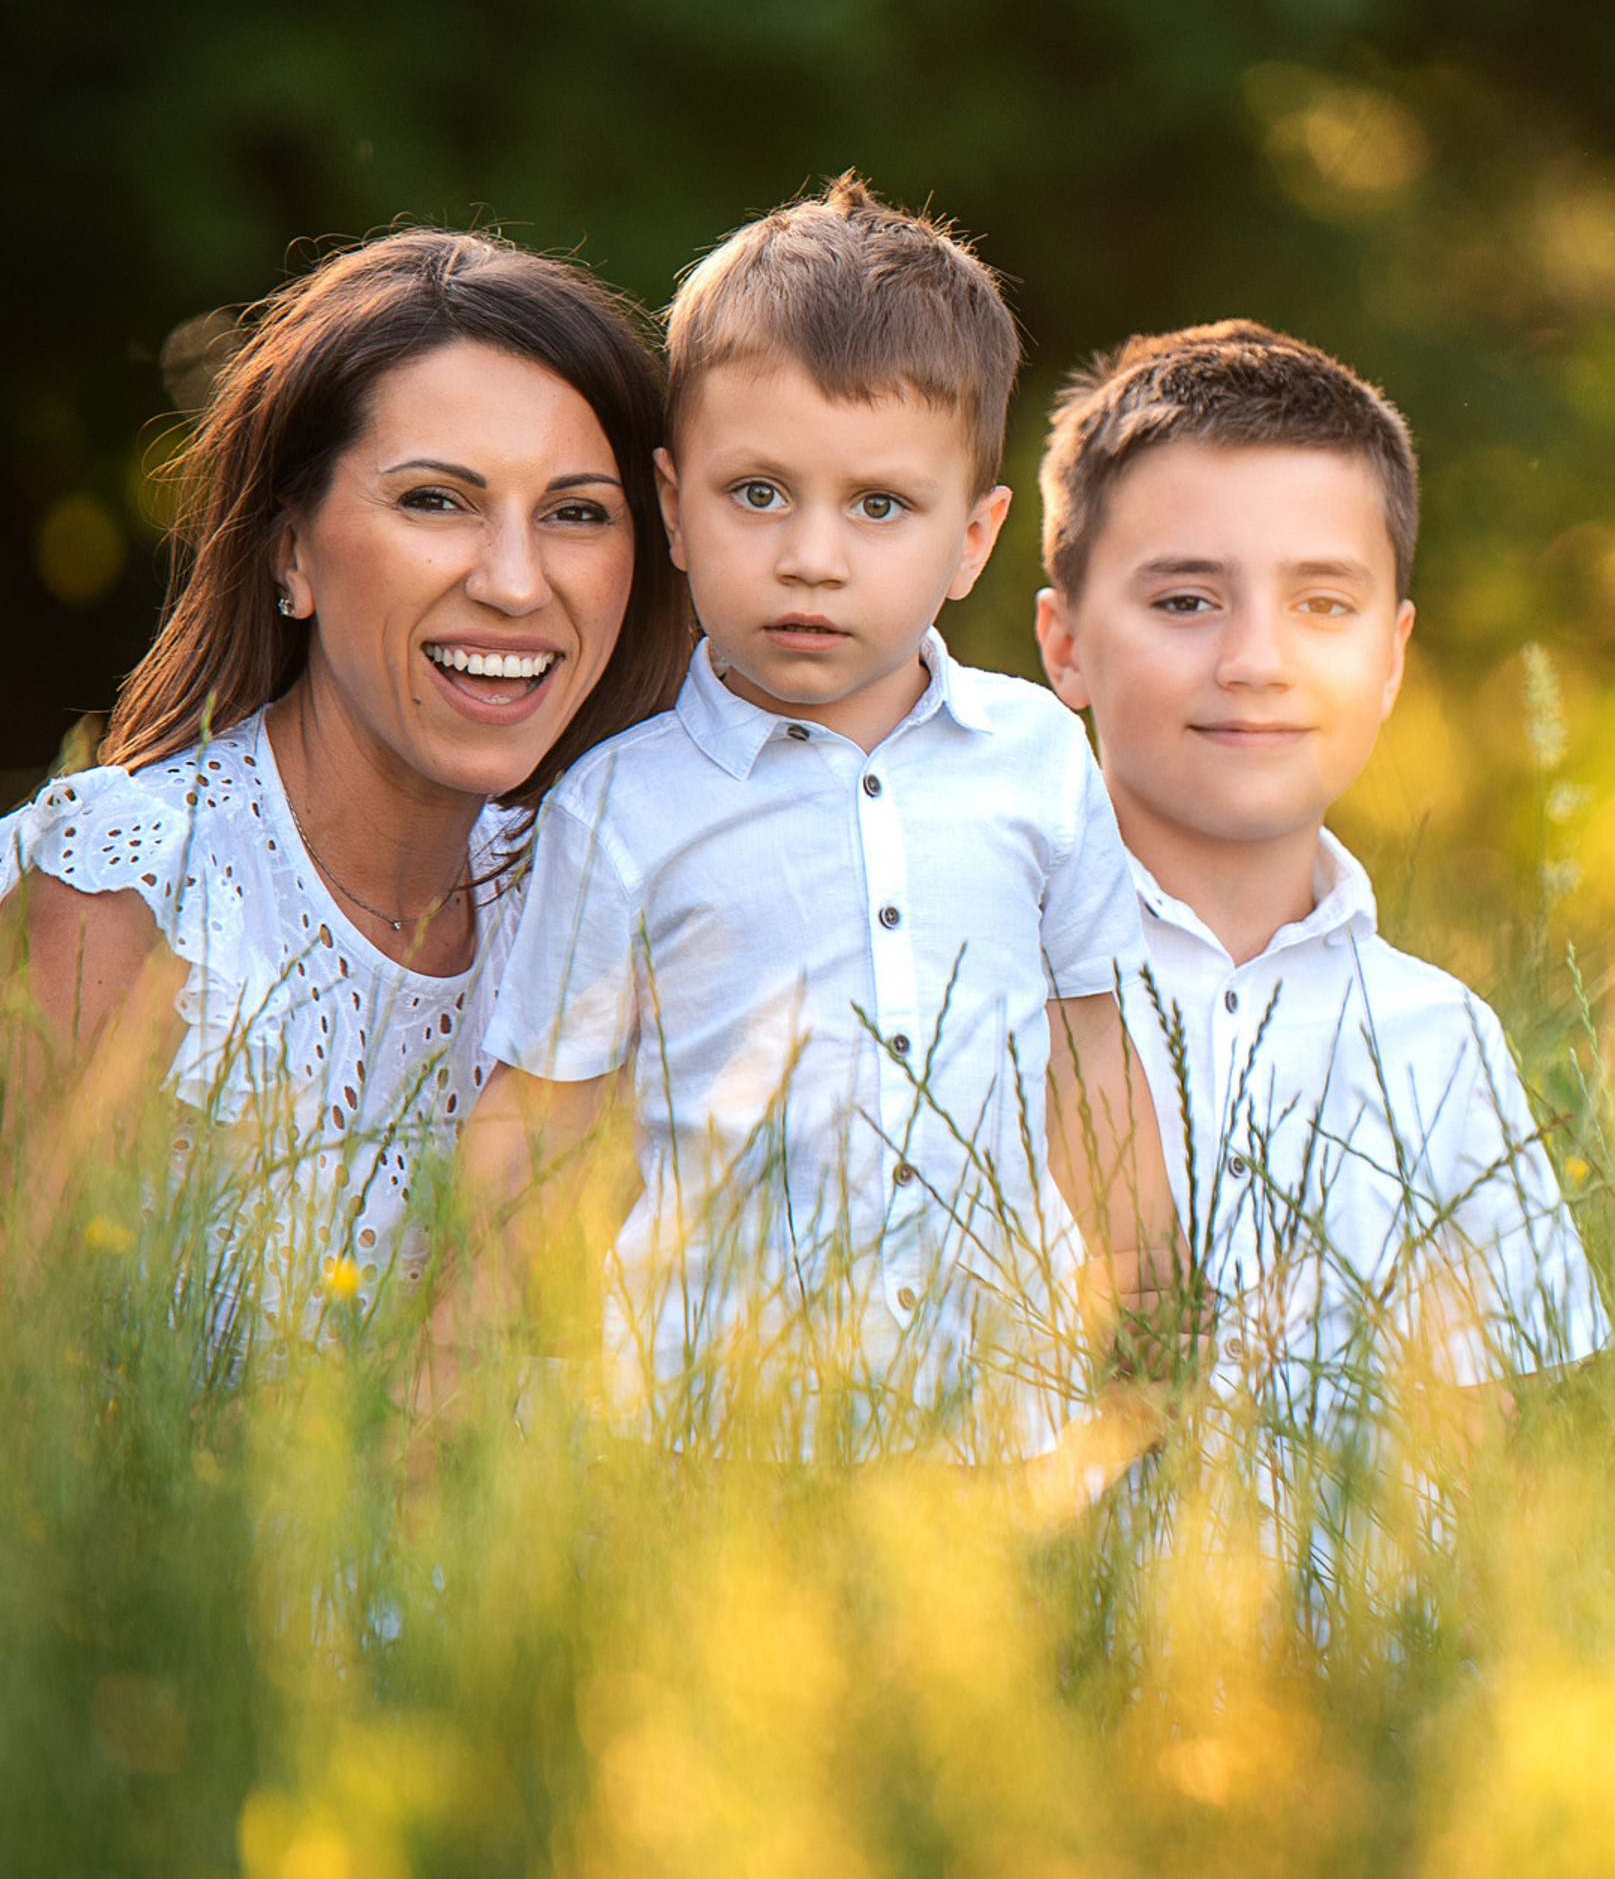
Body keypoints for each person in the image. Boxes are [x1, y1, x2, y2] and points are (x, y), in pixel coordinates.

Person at [457, 177, 1181, 1460]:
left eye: (879, 506)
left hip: (999, 1428)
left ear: (974, 539)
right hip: (711, 1436)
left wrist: (1150, 1326)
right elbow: (543, 1124)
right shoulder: (620, 807)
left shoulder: (1036, 761)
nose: (812, 556)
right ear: (672, 508)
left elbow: (1090, 1066)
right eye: (757, 493)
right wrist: (464, 1393)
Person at [2, 230, 691, 1320]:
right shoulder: (124, 888)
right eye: (436, 500)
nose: (516, 583)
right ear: (292, 551)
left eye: (576, 513)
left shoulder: (609, 896)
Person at [1033, 319, 1608, 1455]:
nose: (1257, 661)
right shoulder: (977, 993)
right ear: (1064, 647)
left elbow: (1492, 1464)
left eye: (1324, 604)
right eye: (1185, 601)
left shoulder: (1440, 1040)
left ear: (1391, 657)